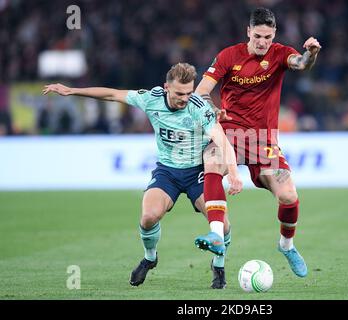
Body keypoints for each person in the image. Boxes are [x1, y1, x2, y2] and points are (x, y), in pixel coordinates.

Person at [43, 63, 242, 289]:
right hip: (167, 172)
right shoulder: (151, 99)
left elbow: (221, 138)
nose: (185, 98)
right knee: (148, 217)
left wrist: (234, 173)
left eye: (189, 92)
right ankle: (150, 257)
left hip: (197, 171)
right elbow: (112, 94)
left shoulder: (198, 107)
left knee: (221, 225)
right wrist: (72, 91)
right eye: (179, 93)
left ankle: (218, 266)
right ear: (166, 87)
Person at [194, 7, 321, 278]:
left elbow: (301, 64)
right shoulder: (229, 56)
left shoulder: (280, 53)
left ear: (274, 34)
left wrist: (312, 52)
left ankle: (286, 246)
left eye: (268, 36)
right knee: (213, 159)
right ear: (248, 32)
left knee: (288, 197)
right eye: (258, 35)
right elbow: (201, 91)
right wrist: (211, 108)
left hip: (263, 140)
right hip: (232, 131)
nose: (263, 42)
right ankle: (216, 235)